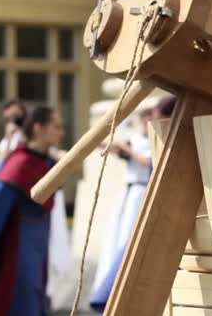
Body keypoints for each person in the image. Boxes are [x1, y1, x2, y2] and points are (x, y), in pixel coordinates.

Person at [0, 106, 64, 315]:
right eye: (56, 126)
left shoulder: (46, 162)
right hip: (18, 249)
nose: (61, 132)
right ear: (38, 128)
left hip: (38, 246)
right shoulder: (19, 164)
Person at [90, 108, 153, 312]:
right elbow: (106, 146)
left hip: (144, 191)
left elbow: (148, 162)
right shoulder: (133, 139)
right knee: (120, 237)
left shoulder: (154, 141)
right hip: (130, 193)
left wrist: (129, 151)